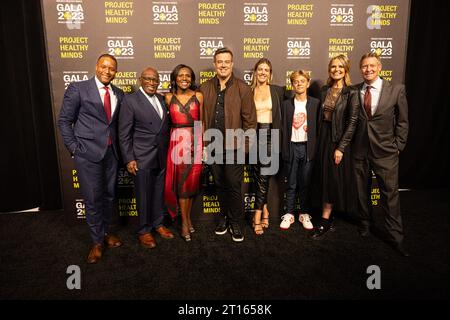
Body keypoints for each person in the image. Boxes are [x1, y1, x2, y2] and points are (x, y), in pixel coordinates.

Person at [58, 53, 125, 264]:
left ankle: (106, 233)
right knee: (93, 199)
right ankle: (96, 242)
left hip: (112, 154)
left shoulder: (119, 93)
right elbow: (64, 121)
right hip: (87, 154)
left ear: (116, 72)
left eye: (112, 68)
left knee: (109, 197)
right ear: (96, 66)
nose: (107, 71)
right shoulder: (78, 89)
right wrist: (74, 148)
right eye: (104, 66)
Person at [353, 52, 409, 256]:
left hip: (386, 152)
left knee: (390, 194)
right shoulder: (354, 91)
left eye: (372, 66)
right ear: (361, 69)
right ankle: (365, 223)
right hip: (360, 150)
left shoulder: (395, 90)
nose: (368, 69)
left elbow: (403, 121)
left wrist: (398, 146)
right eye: (364, 66)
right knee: (361, 191)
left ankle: (396, 237)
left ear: (379, 67)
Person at [199, 47, 257, 242]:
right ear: (215, 64)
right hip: (213, 146)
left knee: (233, 185)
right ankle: (223, 217)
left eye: (226, 62)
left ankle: (235, 222)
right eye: (219, 62)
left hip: (235, 147)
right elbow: (200, 119)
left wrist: (246, 148)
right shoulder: (205, 88)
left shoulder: (243, 88)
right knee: (220, 184)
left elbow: (250, 121)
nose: (223, 65)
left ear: (232, 64)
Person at [119, 67, 174, 249]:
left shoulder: (161, 99)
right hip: (141, 157)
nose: (152, 82)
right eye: (148, 79)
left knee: (158, 193)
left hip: (160, 155)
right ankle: (143, 230)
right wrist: (129, 158)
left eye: (155, 79)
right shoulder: (130, 100)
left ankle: (158, 224)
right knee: (143, 195)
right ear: (140, 80)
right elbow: (124, 133)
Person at [310, 54, 359, 240]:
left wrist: (341, 147)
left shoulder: (351, 92)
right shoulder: (324, 90)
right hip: (322, 138)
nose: (336, 70)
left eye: (340, 67)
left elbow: (353, 122)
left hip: (337, 140)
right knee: (323, 176)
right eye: (333, 67)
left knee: (332, 179)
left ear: (346, 69)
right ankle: (327, 215)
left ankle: (325, 219)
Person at [164, 64, 204, 242]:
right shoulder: (168, 97)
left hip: (195, 142)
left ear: (192, 78)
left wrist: (202, 148)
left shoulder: (198, 96)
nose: (184, 78)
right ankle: (185, 223)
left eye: (188, 75)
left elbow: (201, 123)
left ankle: (187, 218)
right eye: (180, 75)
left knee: (191, 184)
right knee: (181, 185)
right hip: (177, 144)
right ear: (174, 78)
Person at [280, 70, 320, 231]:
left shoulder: (315, 103)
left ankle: (304, 213)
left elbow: (318, 128)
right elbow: (283, 128)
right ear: (292, 84)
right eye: (296, 81)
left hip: (307, 147)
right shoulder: (286, 104)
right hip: (291, 147)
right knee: (291, 182)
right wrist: (284, 149)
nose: (299, 84)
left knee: (305, 182)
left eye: (302, 81)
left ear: (308, 83)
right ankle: (289, 213)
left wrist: (314, 149)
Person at [250, 58, 285, 235]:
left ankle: (256, 216)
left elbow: (293, 108)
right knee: (257, 174)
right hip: (254, 135)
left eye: (266, 70)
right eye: (260, 69)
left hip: (271, 135)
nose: (263, 72)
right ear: (255, 72)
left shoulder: (278, 91)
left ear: (270, 73)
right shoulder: (249, 91)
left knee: (263, 175)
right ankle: (264, 211)